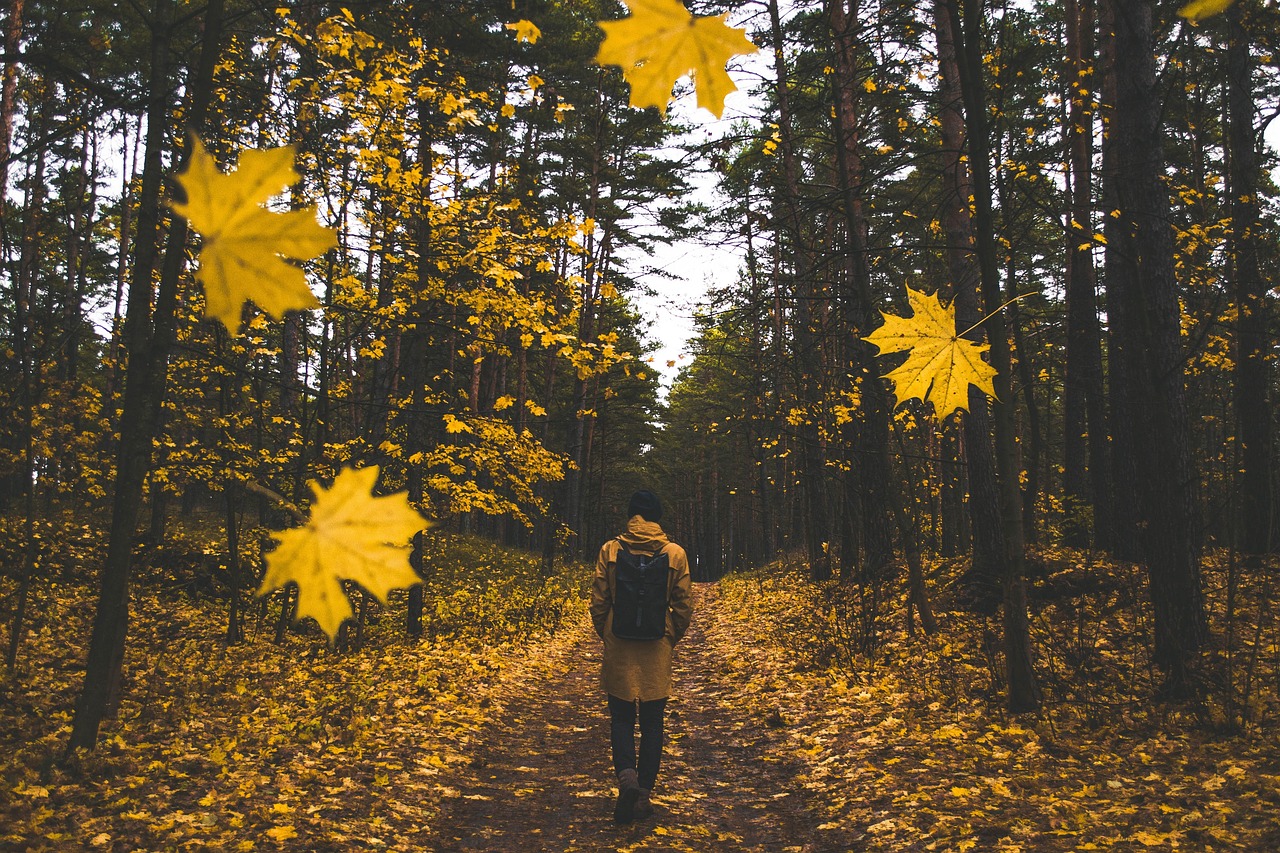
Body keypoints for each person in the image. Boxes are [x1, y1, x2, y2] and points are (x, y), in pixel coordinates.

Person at [590, 489, 693, 824]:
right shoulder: (674, 553)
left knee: (620, 718)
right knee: (652, 724)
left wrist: (605, 633)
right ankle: (644, 793)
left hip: (619, 643)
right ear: (657, 517)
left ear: (631, 515)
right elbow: (683, 605)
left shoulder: (611, 549)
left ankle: (627, 780)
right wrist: (669, 637)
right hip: (656, 647)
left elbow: (599, 600)